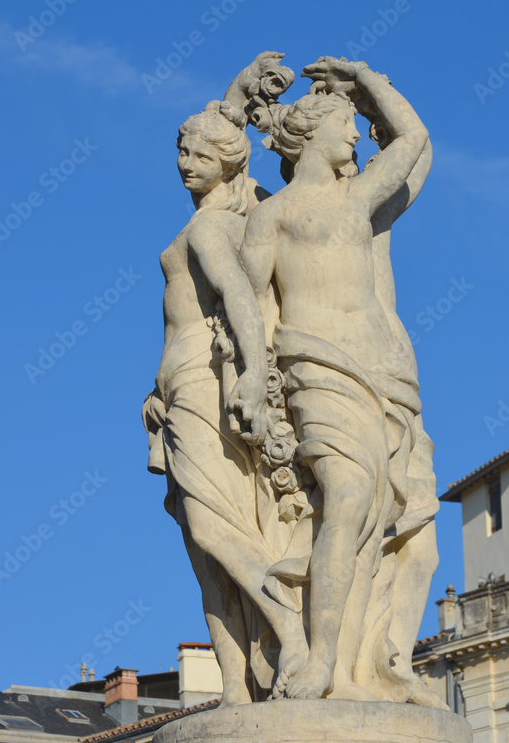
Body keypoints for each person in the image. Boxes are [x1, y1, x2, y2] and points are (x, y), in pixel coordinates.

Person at [239, 57, 432, 700]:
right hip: (316, 366)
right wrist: (253, 386)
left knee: (377, 511)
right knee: (349, 496)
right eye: (347, 125)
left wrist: (367, 79)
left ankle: (352, 657)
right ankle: (320, 660)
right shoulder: (272, 217)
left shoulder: (358, 198)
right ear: (313, 136)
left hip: (382, 373)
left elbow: (411, 140)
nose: (355, 136)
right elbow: (250, 307)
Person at [143, 87, 308, 704]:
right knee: (202, 543)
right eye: (181, 151)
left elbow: (239, 298)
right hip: (177, 388)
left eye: (199, 154)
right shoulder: (218, 219)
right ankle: (236, 688)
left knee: (214, 526)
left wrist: (252, 376)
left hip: (199, 379)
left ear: (229, 163)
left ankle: (290, 629)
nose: (186, 161)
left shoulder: (212, 227)